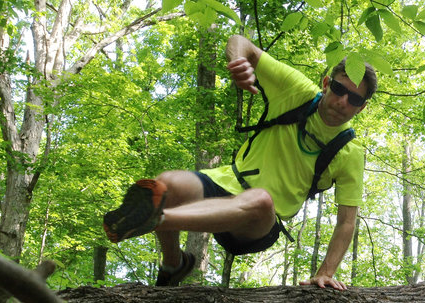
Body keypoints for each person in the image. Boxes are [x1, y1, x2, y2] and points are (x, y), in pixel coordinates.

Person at [103, 34, 377, 289]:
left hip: (259, 224)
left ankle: (156, 218)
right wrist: (238, 62)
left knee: (260, 200)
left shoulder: (350, 153)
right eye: (340, 89)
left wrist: (325, 273)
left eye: (354, 99)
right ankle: (174, 264)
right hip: (226, 185)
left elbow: (346, 223)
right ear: (327, 83)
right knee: (165, 184)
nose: (343, 101)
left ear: (362, 107)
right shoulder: (296, 91)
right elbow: (239, 42)